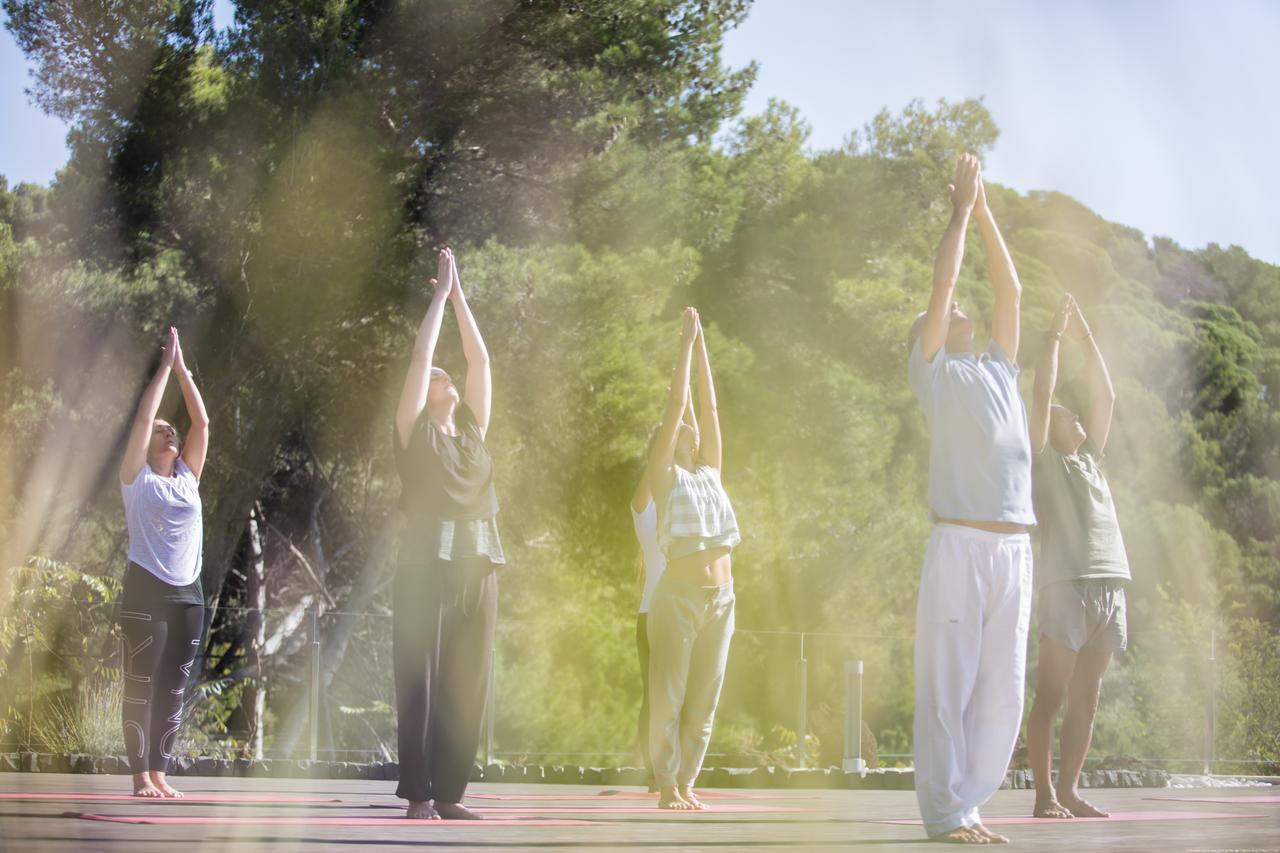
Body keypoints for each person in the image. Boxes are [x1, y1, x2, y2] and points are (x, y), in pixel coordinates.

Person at [907, 154, 1034, 844]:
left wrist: (986, 213)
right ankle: (943, 812)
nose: (958, 307)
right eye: (945, 311)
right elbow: (945, 281)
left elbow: (1009, 291)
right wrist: (958, 213)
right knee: (947, 684)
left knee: (1001, 687)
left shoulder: (999, 368)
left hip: (1016, 543)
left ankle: (971, 804)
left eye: (960, 310)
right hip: (959, 541)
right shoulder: (935, 369)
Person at [392, 247, 503, 821]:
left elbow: (479, 361)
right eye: (438, 379)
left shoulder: (474, 433)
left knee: (467, 684)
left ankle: (451, 793)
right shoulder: (415, 433)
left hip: (478, 565)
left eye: (446, 377)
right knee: (424, 684)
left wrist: (461, 297)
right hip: (423, 571)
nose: (446, 378)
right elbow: (420, 356)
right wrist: (437, 296)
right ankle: (419, 795)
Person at [1026, 294, 1128, 820]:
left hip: (1111, 585)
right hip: (1067, 584)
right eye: (1069, 417)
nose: (1079, 419)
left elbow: (1106, 394)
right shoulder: (1048, 462)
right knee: (1052, 696)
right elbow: (1043, 393)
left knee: (1088, 698)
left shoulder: (1091, 460)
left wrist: (1086, 331)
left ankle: (1068, 791)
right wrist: (1054, 337)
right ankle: (1044, 795)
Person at [647, 307, 739, 811]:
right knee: (670, 695)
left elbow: (709, 407)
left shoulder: (710, 472)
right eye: (682, 428)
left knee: (704, 701)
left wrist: (704, 346)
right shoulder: (667, 475)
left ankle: (686, 783)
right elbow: (681, 402)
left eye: (691, 429)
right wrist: (683, 346)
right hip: (679, 597)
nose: (691, 429)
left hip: (722, 600)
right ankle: (666, 785)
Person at [118, 326, 209, 798]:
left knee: (173, 690)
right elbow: (142, 420)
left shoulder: (188, 476)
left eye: (171, 430)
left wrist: (183, 369)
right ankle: (139, 778)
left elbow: (202, 423)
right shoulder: (136, 479)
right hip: (144, 592)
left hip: (188, 595)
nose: (168, 431)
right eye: (161, 430)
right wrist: (161, 371)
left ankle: (160, 772)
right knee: (140, 686)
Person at [631, 395, 694, 792]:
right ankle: (657, 774)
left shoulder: (695, 499)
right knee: (657, 697)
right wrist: (675, 419)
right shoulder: (647, 507)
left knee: (688, 696)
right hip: (654, 614)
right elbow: (654, 476)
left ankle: (677, 772)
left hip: (691, 612)